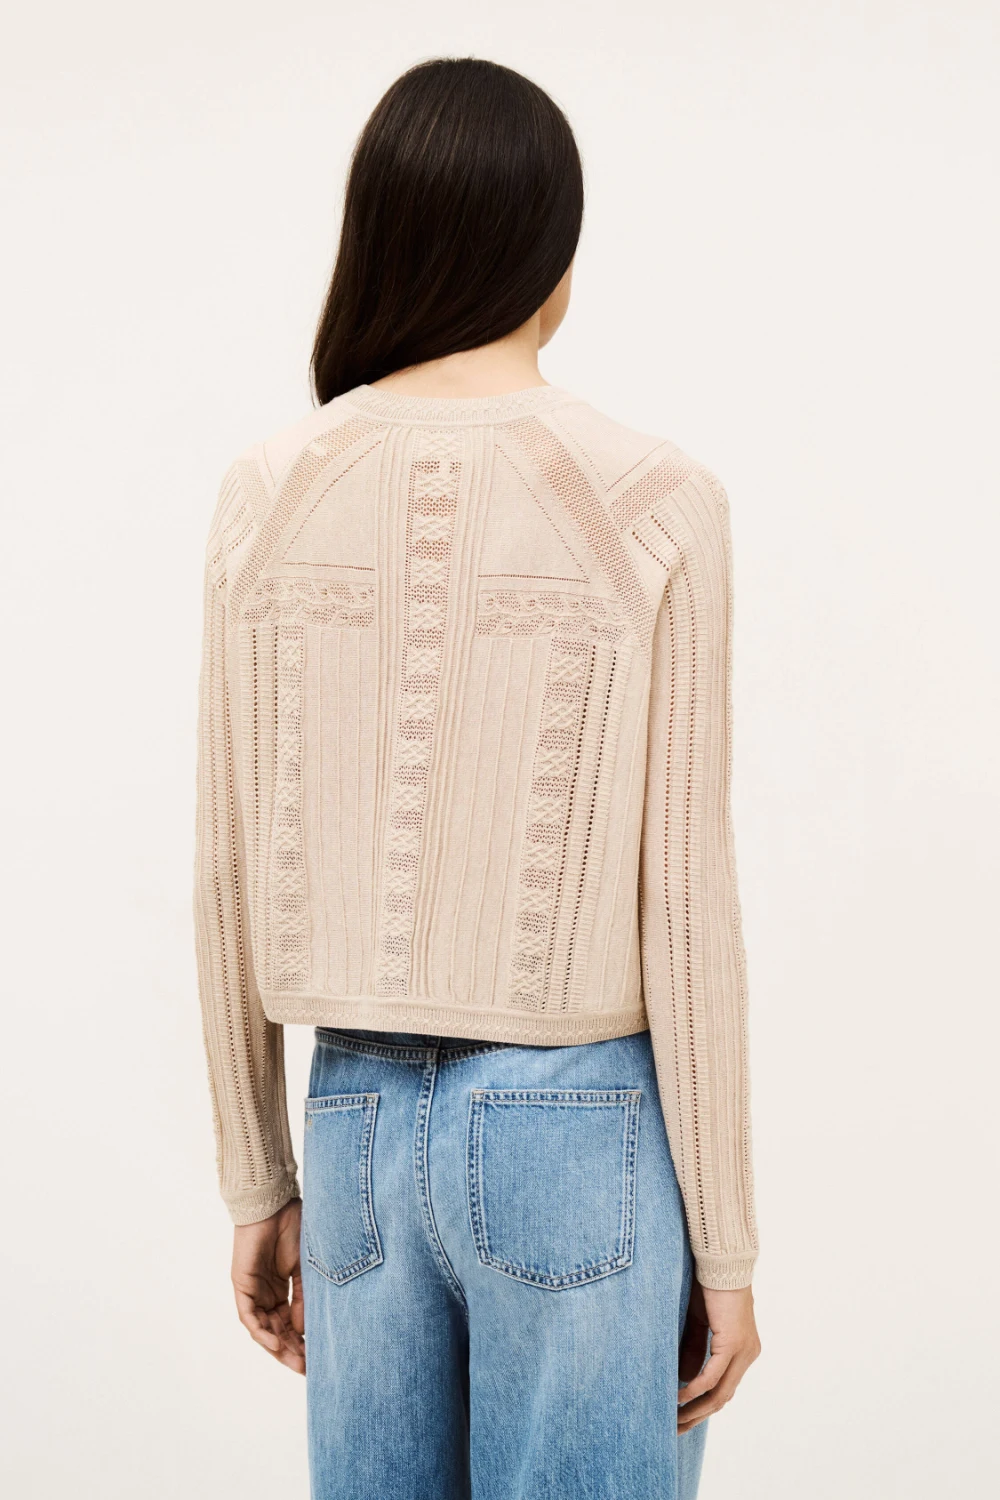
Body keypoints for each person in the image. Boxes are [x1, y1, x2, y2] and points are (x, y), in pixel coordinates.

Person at [194, 55, 761, 1500]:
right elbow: (686, 906)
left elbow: (225, 873)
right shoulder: (656, 498)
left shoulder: (267, 489)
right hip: (581, 1129)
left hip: (353, 1123)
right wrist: (728, 1245)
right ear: (552, 254)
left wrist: (257, 1177)